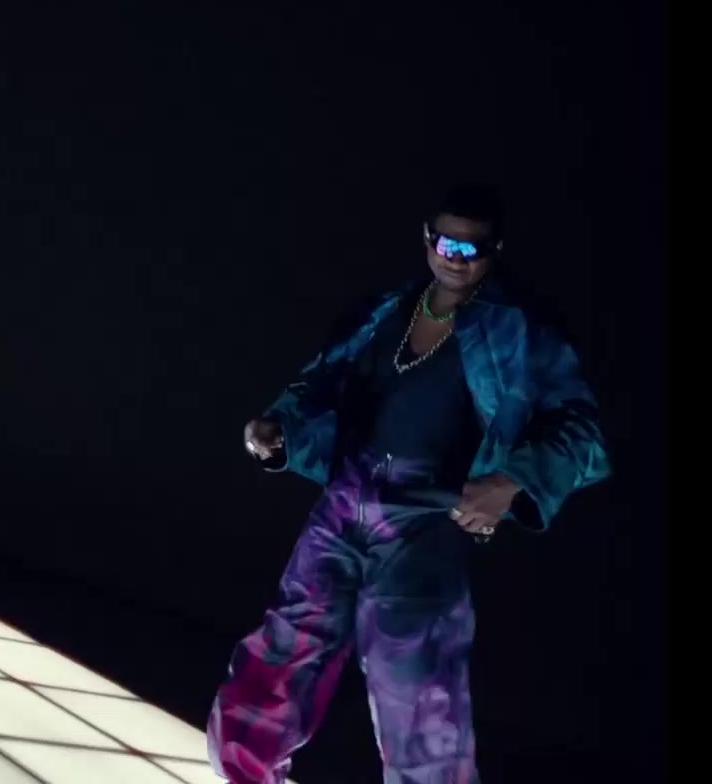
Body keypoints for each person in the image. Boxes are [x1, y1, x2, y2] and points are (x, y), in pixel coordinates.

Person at [210, 184, 610, 784]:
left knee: (417, 686)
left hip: (424, 518)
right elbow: (320, 383)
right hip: (346, 499)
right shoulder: (387, 310)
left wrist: (512, 480)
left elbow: (582, 430)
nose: (457, 258)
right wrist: (278, 430)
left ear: (495, 251)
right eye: (447, 243)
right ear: (427, 239)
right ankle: (244, 773)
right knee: (284, 647)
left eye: (473, 249)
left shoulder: (518, 330)